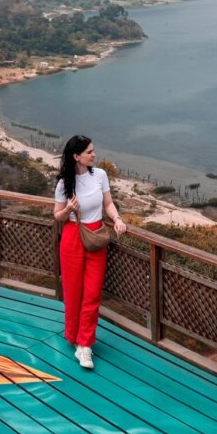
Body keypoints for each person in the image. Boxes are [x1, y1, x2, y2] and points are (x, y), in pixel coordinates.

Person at [54, 135, 127, 369]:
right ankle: (73, 336)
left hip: (96, 236)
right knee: (73, 291)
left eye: (93, 150)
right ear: (76, 156)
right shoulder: (64, 184)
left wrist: (116, 219)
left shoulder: (100, 175)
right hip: (72, 236)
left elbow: (108, 203)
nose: (93, 155)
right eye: (88, 152)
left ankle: (85, 345)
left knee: (93, 292)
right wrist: (68, 209)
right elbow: (57, 216)